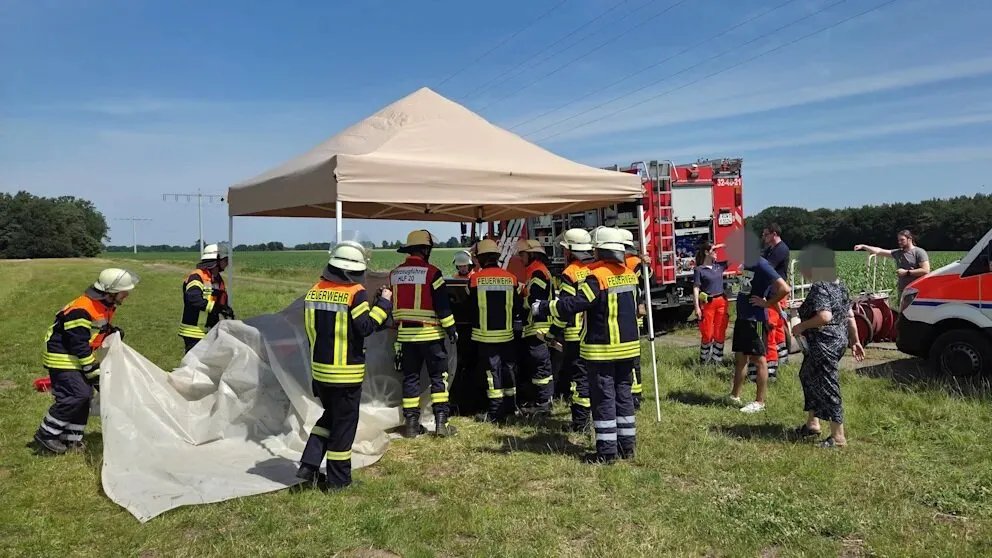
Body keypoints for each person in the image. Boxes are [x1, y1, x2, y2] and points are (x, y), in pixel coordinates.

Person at [535, 227, 640, 464]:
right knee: (623, 396)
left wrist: (543, 308)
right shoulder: (630, 274)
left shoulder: (597, 277)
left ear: (598, 250)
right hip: (629, 349)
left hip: (602, 350)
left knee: (603, 399)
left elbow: (574, 304)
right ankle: (627, 447)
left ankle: (606, 453)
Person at [297, 242, 392, 489]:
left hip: (320, 372)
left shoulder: (314, 291)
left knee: (330, 417)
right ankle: (339, 481)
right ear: (352, 271)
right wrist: (384, 304)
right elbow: (365, 327)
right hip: (346, 374)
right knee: (344, 426)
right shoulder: (355, 293)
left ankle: (308, 465)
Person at [34, 268, 139, 454]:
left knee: (85, 397)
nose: (127, 295)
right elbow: (78, 343)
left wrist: (112, 332)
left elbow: (95, 329)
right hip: (64, 358)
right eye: (124, 292)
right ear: (111, 292)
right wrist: (91, 368)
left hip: (75, 356)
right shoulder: (82, 309)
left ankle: (72, 439)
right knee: (77, 395)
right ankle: (47, 433)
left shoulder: (104, 305)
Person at [790, 247, 865, 448]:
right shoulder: (839, 285)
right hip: (837, 340)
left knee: (828, 384)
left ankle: (838, 437)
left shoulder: (821, 286)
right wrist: (855, 340)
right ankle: (813, 423)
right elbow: (849, 316)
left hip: (825, 343)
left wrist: (800, 326)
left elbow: (825, 317)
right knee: (807, 375)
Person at [389, 230, 458, 438]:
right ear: (425, 250)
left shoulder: (395, 274)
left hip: (406, 339)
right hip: (431, 336)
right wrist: (452, 330)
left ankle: (411, 425)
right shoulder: (433, 273)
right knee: (439, 378)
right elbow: (443, 307)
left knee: (411, 378)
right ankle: (441, 423)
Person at [468, 239, 524, 423]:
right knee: (508, 369)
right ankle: (511, 407)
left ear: (481, 259)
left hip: (485, 336)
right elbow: (517, 307)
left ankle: (494, 412)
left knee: (492, 373)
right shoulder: (511, 278)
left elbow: (469, 305)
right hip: (507, 334)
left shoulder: (475, 279)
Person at [546, 228, 595, 431]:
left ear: (569, 251)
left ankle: (580, 423)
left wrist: (552, 332)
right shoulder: (598, 268)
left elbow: (565, 308)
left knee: (579, 379)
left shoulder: (570, 273)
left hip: (575, 335)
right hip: (596, 333)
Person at [728, 255, 790, 414]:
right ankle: (734, 395)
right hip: (743, 318)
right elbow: (745, 289)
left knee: (760, 359)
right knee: (741, 358)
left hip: (755, 321)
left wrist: (767, 304)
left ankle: (760, 402)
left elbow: (784, 288)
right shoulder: (747, 264)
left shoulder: (761, 264)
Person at [516, 239, 555, 416]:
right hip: (539, 326)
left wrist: (522, 298)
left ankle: (543, 403)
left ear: (531, 254)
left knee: (541, 366)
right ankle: (542, 400)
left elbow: (535, 301)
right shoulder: (536, 271)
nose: (520, 258)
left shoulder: (538, 273)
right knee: (540, 365)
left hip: (539, 327)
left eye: (522, 254)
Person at [179, 243, 234, 353]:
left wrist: (225, 310)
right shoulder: (197, 276)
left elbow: (219, 300)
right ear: (216, 260)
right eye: (225, 260)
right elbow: (193, 299)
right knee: (194, 366)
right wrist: (217, 308)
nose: (227, 263)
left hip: (209, 330)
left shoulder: (217, 279)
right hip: (193, 332)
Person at [854, 230, 931, 300]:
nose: (900, 242)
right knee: (903, 313)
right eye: (899, 240)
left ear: (909, 239)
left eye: (902, 240)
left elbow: (926, 270)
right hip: (903, 290)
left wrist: (906, 272)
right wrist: (863, 246)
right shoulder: (898, 253)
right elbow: (879, 251)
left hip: (917, 290)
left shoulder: (919, 252)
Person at [619, 228, 648, 410]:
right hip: (631, 315)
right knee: (631, 358)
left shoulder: (632, 263)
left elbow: (643, 282)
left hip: (630, 317)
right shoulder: (634, 262)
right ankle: (635, 394)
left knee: (632, 359)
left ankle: (635, 394)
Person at [692, 242, 730, 365]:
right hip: (708, 303)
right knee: (707, 334)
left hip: (721, 302)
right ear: (706, 252)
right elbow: (696, 288)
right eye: (714, 251)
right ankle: (704, 360)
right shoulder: (699, 270)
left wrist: (721, 246)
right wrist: (697, 307)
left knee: (720, 332)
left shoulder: (719, 266)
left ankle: (717, 360)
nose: (716, 253)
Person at [761, 223, 791, 374]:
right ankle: (782, 358)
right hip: (774, 292)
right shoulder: (770, 249)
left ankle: (772, 366)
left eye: (765, 234)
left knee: (772, 327)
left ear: (774, 234)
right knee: (778, 326)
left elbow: (767, 267)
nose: (763, 237)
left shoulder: (781, 249)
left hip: (776, 293)